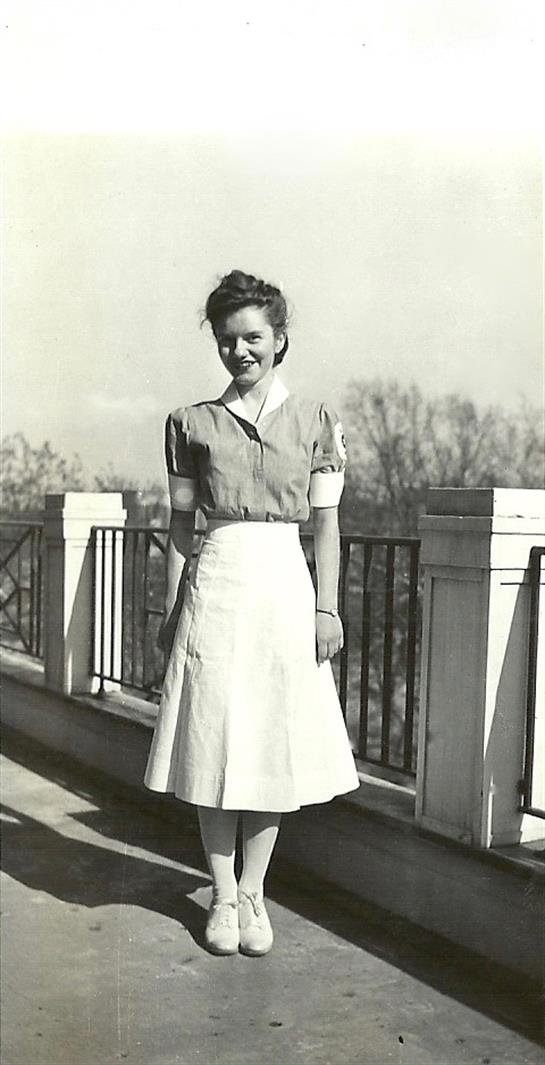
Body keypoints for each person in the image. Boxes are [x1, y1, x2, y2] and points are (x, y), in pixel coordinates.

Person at [144, 269, 359, 957]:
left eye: (253, 338)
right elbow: (182, 526)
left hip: (283, 588)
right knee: (211, 737)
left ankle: (255, 892)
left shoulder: (315, 420)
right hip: (216, 584)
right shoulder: (190, 424)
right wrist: (173, 608)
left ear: (279, 339)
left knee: (270, 741)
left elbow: (326, 526)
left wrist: (326, 608)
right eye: (227, 339)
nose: (239, 351)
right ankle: (221, 893)